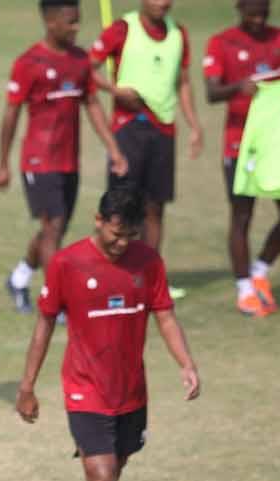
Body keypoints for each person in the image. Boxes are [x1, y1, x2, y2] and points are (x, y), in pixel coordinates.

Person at [15, 188, 200, 481]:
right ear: (98, 220)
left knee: (109, 476)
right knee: (100, 476)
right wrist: (27, 386)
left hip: (131, 391)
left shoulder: (147, 262)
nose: (121, 244)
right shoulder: (68, 263)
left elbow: (165, 315)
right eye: (115, 234)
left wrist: (186, 363)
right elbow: (44, 325)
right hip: (85, 390)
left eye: (129, 236)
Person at [0, 0, 129, 314]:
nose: (75, 27)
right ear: (50, 20)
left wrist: (113, 148)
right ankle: (55, 301)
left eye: (77, 21)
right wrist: (2, 162)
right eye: (70, 22)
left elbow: (93, 105)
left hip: (69, 161)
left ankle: (19, 278)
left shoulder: (80, 60)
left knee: (51, 230)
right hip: (39, 161)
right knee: (53, 227)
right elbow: (11, 114)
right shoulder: (29, 63)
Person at [203, 0, 280, 317]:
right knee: (242, 216)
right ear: (238, 8)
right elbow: (211, 92)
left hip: (278, 145)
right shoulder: (221, 42)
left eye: (263, 12)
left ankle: (260, 270)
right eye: (251, 13)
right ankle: (244, 290)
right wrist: (239, 87)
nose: (258, 19)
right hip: (241, 146)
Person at [88, 0, 203, 299]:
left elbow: (183, 82)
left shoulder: (179, 34)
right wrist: (115, 92)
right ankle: (113, 276)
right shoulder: (123, 29)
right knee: (120, 207)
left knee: (155, 207)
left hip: (163, 129)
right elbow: (86, 68)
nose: (161, 3)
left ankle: (148, 279)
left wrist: (194, 124)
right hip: (129, 128)